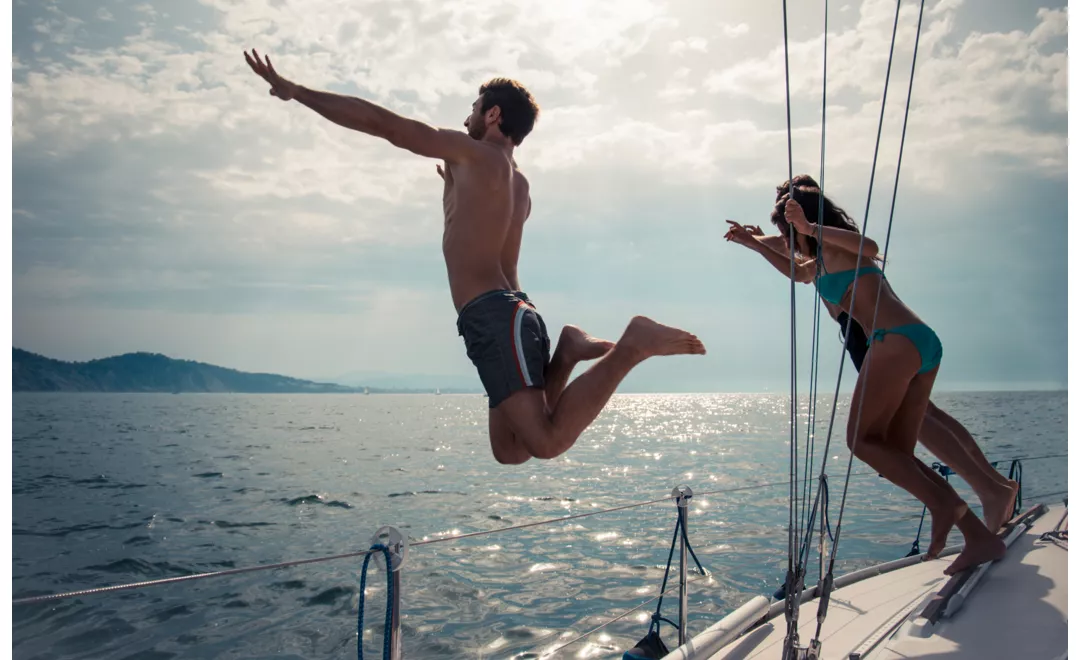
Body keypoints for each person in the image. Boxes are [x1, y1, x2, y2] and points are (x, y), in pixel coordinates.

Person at [243, 50, 706, 465]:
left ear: (493, 114)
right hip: (515, 311)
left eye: (472, 107)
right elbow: (489, 253)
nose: (467, 116)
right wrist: (451, 194)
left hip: (491, 315)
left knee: (543, 443)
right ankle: (565, 353)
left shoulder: (472, 155)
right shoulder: (519, 186)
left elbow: (385, 125)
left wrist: (297, 91)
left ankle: (632, 345)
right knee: (509, 451)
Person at [723, 178, 1003, 575]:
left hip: (896, 341)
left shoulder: (840, 246)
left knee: (860, 440)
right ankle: (978, 536)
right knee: (897, 454)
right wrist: (755, 243)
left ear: (811, 220)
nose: (788, 238)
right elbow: (799, 273)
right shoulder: (821, 261)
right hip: (916, 343)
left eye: (790, 230)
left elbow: (870, 247)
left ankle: (950, 506)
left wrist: (807, 228)